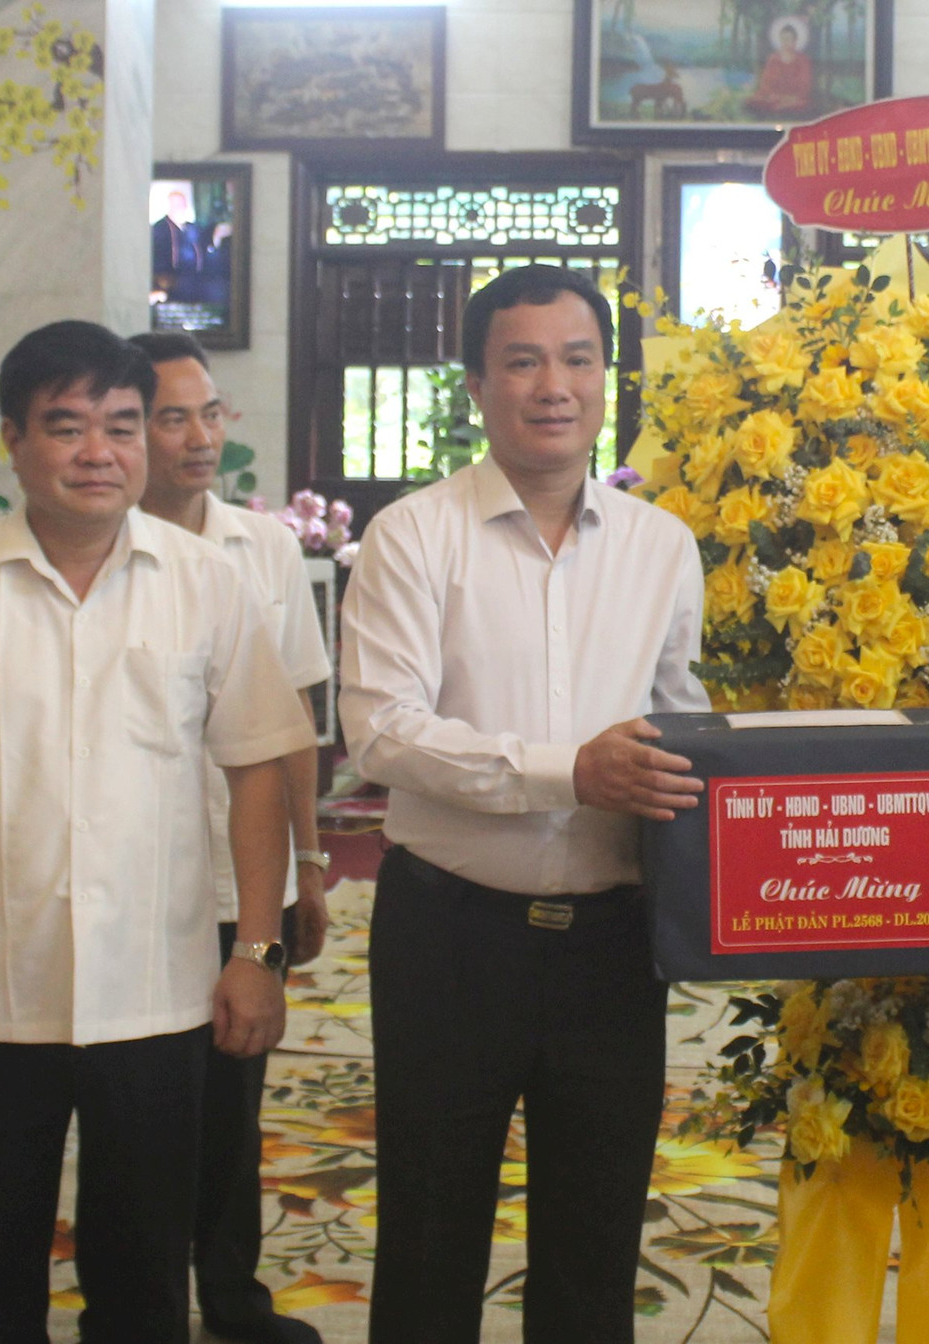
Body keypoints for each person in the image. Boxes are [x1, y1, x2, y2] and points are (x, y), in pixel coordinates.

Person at [0, 321, 315, 1343]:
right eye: (66, 428)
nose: (98, 452)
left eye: (120, 425)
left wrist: (256, 952)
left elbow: (255, 775)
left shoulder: (209, 583)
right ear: (14, 440)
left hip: (160, 991)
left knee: (145, 1276)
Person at [339, 264, 710, 1343]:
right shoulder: (413, 536)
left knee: (598, 1242)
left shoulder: (663, 547)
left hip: (611, 947)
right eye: (524, 360)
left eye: (579, 358)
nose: (555, 384)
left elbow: (680, 721)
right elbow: (383, 732)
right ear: (476, 384)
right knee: (427, 1231)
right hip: (451, 937)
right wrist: (569, 772)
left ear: (608, 378)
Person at [129, 329, 331, 1344]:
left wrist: (309, 869)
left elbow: (289, 721)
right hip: (129, 880)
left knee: (233, 1097)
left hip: (236, 879)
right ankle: (144, 1297)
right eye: (173, 416)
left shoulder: (266, 547)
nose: (199, 436)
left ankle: (232, 1293)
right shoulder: (101, 542)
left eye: (210, 413)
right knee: (143, 1109)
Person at [745, 19, 814, 118]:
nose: (786, 43)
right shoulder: (773, 59)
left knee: (803, 105)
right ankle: (777, 108)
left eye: (789, 39)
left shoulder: (802, 60)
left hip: (794, 100)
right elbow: (766, 83)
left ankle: (781, 109)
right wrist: (773, 95)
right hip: (774, 98)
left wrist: (790, 98)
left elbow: (805, 85)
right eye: (783, 39)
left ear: (795, 41)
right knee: (752, 101)